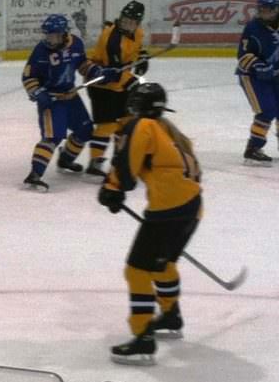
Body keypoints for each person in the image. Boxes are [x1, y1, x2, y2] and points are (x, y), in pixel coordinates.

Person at [97, 82, 203, 366]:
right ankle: (170, 315)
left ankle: (143, 338)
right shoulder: (172, 131)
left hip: (169, 210)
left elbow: (127, 166)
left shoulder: (141, 125)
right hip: (192, 208)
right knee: (163, 264)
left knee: (137, 270)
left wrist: (113, 189)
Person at [21, 14, 120, 191]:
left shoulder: (76, 43)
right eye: (48, 35)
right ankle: (34, 175)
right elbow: (28, 76)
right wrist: (38, 92)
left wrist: (99, 72)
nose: (49, 39)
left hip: (70, 96)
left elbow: (82, 64)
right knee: (53, 137)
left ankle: (65, 159)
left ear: (64, 34)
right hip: (52, 101)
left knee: (85, 130)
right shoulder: (40, 51)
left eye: (54, 35)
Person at [85, 1, 151, 178]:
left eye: (131, 22)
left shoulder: (138, 32)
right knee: (108, 125)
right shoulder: (112, 40)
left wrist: (142, 58)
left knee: (127, 121)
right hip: (101, 83)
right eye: (125, 20)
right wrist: (132, 82)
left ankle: (120, 160)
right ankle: (94, 164)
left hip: (119, 82)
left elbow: (137, 50)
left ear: (138, 23)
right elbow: (115, 72)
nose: (127, 24)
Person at [235, 0, 279, 165]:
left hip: (273, 73)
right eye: (261, 9)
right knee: (267, 110)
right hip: (250, 75)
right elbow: (242, 55)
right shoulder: (252, 27)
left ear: (277, 10)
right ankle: (253, 148)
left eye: (268, 10)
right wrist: (258, 65)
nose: (263, 13)